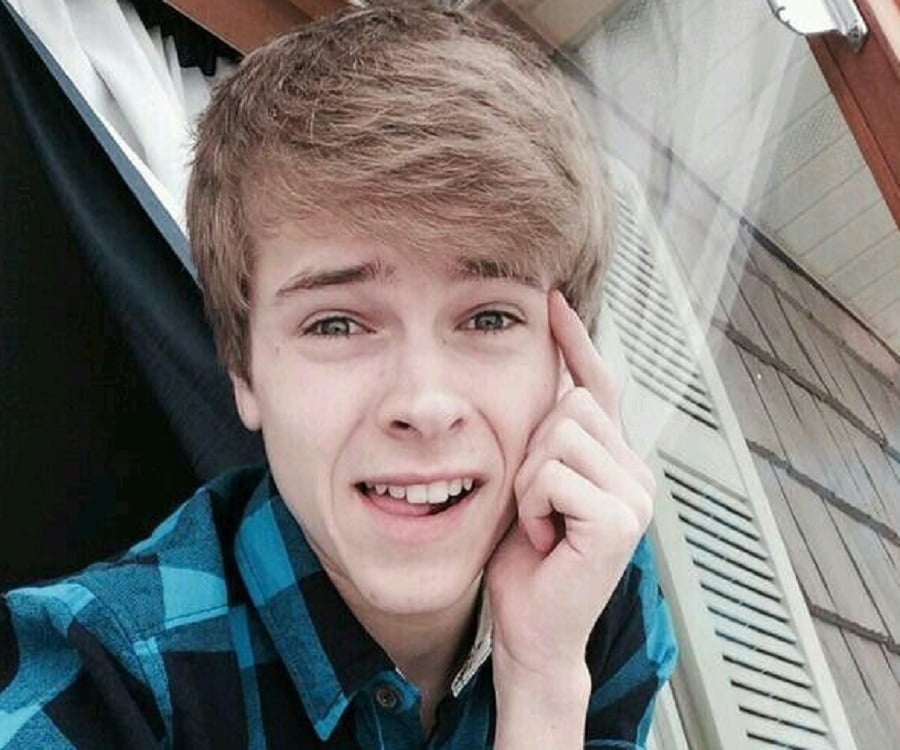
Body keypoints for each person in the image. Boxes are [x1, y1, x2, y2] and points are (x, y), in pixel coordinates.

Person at [0, 2, 677, 747]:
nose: (424, 403)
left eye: (489, 318)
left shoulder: (599, 587)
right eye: (337, 324)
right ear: (244, 372)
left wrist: (543, 680)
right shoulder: (108, 682)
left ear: (567, 365)